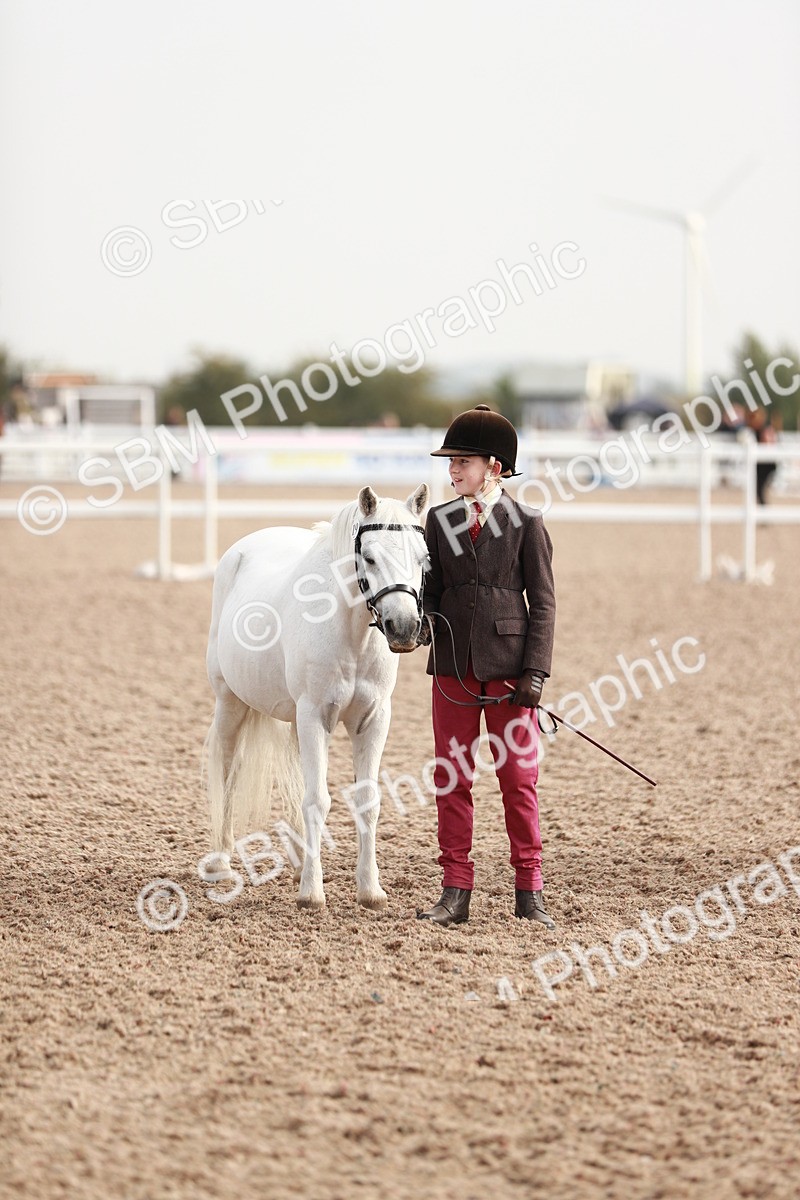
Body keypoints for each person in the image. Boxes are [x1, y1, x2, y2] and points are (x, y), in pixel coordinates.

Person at [416, 404, 557, 930]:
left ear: (494, 467)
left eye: (463, 462)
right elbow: (429, 592)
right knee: (452, 778)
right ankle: (456, 889)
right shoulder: (440, 520)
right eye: (450, 463)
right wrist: (417, 623)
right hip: (452, 667)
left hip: (508, 670)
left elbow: (542, 603)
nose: (452, 472)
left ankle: (529, 889)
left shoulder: (526, 523)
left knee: (518, 779)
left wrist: (535, 673)